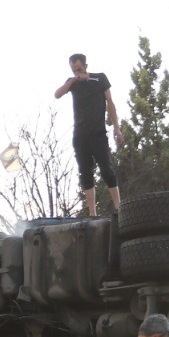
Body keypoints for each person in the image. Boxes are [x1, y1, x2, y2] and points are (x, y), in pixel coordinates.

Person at [53, 54, 121, 217]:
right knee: (85, 172)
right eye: (74, 70)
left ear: (86, 65)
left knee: (106, 170)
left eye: (79, 69)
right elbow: (57, 94)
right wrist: (75, 79)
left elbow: (110, 103)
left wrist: (116, 127)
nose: (77, 72)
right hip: (80, 135)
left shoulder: (99, 79)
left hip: (98, 133)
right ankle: (92, 212)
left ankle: (119, 207)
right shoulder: (72, 83)